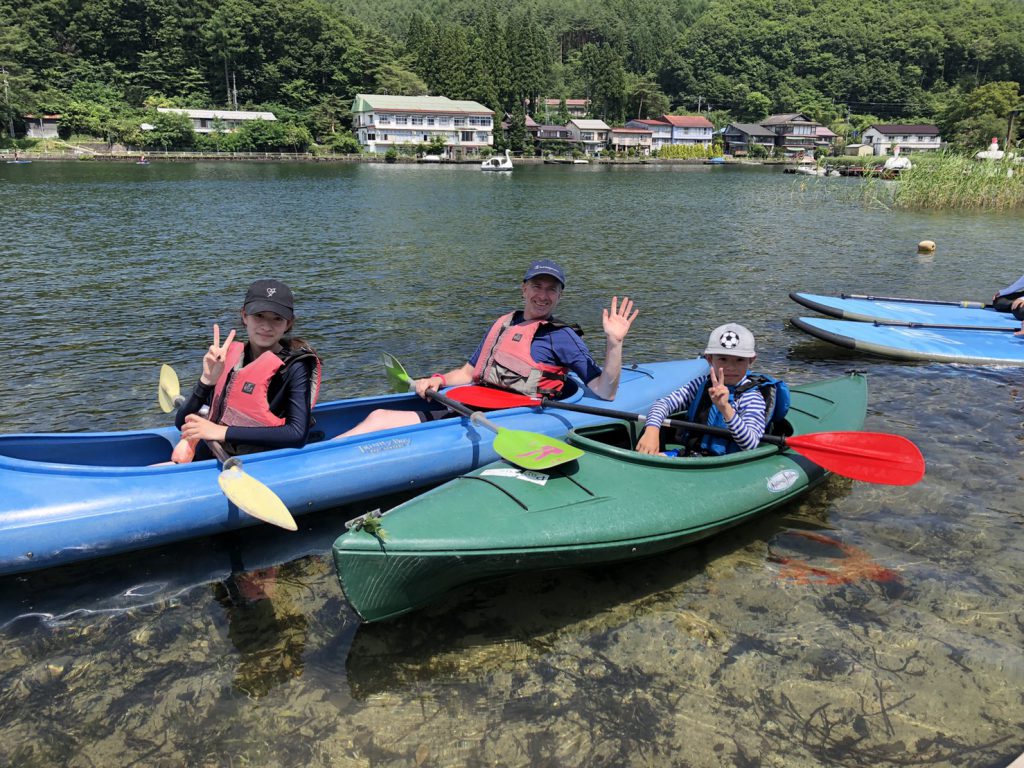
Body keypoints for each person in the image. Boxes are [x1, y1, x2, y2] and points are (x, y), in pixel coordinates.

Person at [338, 259, 638, 437]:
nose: (543, 296)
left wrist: (615, 343)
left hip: (508, 417)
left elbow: (605, 390)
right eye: (537, 286)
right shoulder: (505, 323)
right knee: (377, 415)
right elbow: (470, 371)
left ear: (559, 296)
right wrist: (439, 380)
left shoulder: (562, 337)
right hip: (474, 402)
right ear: (524, 289)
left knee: (379, 420)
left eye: (551, 289)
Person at [174, 279, 322, 459]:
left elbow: (297, 434)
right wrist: (207, 381)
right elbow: (181, 421)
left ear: (288, 324)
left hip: (262, 458)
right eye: (259, 315)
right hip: (220, 452)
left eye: (277, 319)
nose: (266, 326)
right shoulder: (229, 358)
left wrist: (221, 432)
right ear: (244, 316)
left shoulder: (295, 366)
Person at [636, 323, 771, 457]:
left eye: (740, 360)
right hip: (692, 454)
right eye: (723, 359)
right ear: (709, 359)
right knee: (648, 458)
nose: (731, 367)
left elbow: (750, 444)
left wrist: (725, 408)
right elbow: (663, 404)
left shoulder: (752, 397)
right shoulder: (701, 384)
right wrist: (652, 430)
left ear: (751, 360)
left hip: (726, 463)